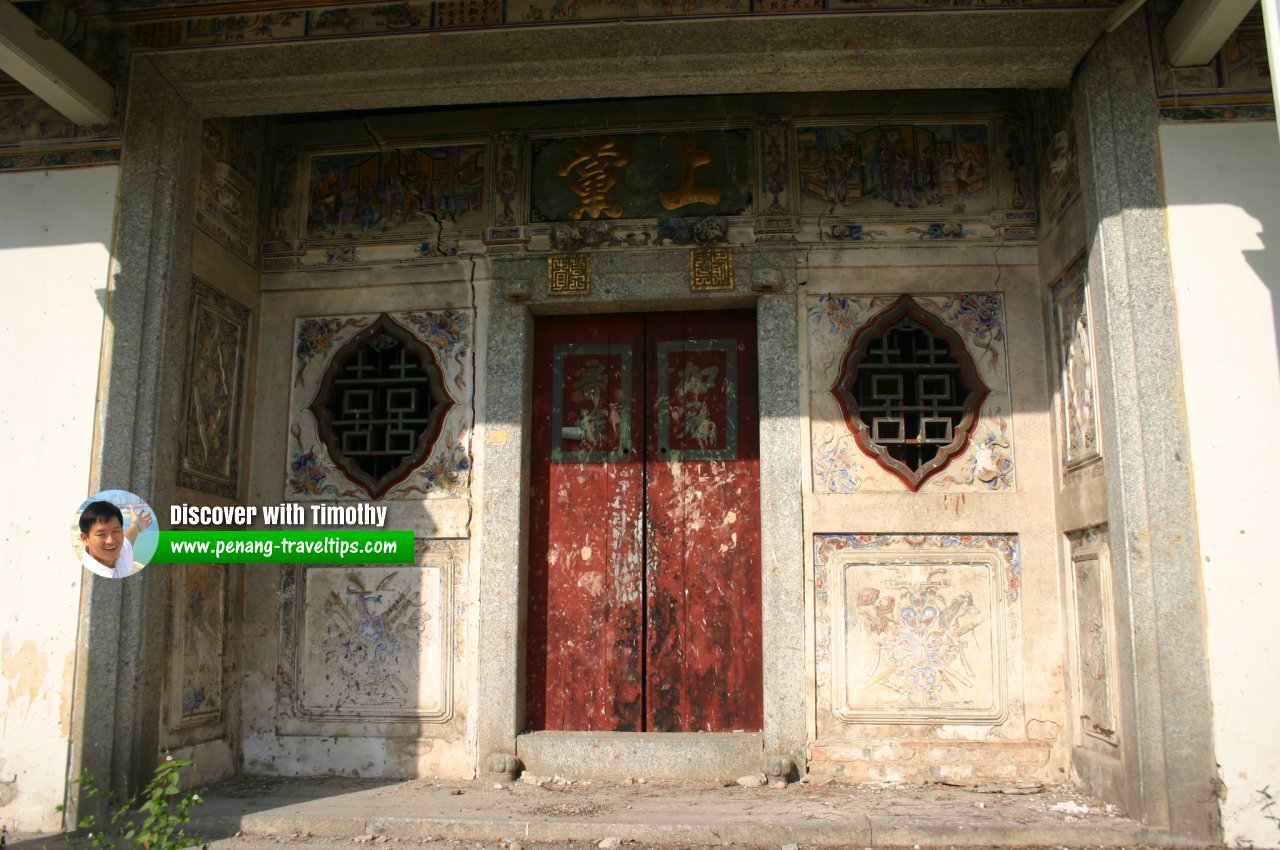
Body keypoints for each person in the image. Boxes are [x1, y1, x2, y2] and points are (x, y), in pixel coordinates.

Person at [79, 501, 153, 579]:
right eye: (101, 534)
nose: (111, 541)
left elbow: (127, 540)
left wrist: (136, 525)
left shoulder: (120, 554)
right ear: (85, 539)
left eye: (115, 531)